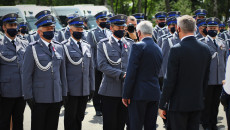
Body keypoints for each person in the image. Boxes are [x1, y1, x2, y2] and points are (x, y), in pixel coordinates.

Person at [159, 15, 212, 130]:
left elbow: (169, 80)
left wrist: (162, 104)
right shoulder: (205, 49)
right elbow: (206, 78)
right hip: (196, 103)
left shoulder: (176, 49)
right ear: (195, 29)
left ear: (178, 28)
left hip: (179, 106)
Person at [22, 14, 67, 130]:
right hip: (39, 97)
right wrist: (28, 96)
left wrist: (64, 93)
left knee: (52, 126)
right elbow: (26, 74)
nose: (51, 31)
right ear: (40, 32)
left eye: (52, 28)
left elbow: (63, 73)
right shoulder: (32, 48)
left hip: (56, 96)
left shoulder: (59, 47)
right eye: (47, 29)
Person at [122, 21, 162, 130]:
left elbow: (131, 73)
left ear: (138, 33)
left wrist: (126, 94)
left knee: (135, 126)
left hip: (138, 94)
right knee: (150, 126)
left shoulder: (137, 46)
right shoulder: (158, 48)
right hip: (154, 93)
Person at [97, 14, 134, 130]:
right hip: (110, 91)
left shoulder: (130, 43)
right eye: (119, 27)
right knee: (110, 124)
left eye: (123, 27)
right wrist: (121, 74)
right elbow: (102, 65)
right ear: (111, 28)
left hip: (126, 91)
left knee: (121, 123)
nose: (122, 30)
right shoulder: (103, 44)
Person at [62, 16, 95, 130]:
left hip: (84, 88)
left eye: (81, 29)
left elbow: (91, 68)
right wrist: (64, 90)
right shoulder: (64, 46)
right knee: (70, 118)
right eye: (78, 30)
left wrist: (92, 87)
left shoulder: (87, 46)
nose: (80, 31)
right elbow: (63, 70)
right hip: (71, 90)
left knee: (80, 117)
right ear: (71, 31)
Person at [0, 13, 28, 130]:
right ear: (4, 27)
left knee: (19, 121)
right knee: (4, 122)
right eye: (10, 25)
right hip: (5, 92)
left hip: (21, 91)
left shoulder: (24, 43)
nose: (13, 28)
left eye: (15, 25)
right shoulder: (1, 45)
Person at [200, 17, 228, 130]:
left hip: (220, 79)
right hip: (208, 80)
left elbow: (225, 61)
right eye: (210, 28)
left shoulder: (223, 42)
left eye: (214, 28)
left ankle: (213, 123)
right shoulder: (202, 43)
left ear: (218, 28)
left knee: (216, 104)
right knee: (207, 104)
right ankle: (206, 125)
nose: (213, 29)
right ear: (206, 28)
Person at [86, 11, 112, 116]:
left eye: (105, 20)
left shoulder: (109, 32)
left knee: (107, 86)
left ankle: (105, 106)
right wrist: (92, 65)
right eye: (102, 20)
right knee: (97, 87)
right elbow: (90, 50)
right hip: (97, 64)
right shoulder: (92, 33)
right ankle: (97, 107)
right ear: (97, 21)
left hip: (108, 65)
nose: (104, 21)